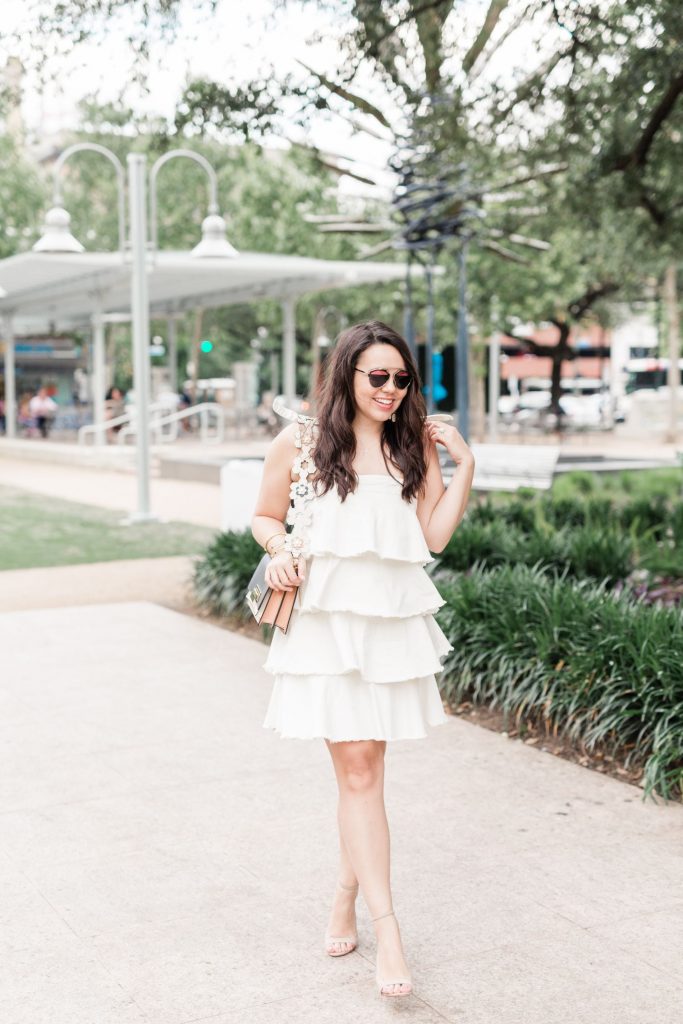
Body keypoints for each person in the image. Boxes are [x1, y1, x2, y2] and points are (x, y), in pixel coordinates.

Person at [251, 320, 475, 999]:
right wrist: (278, 550)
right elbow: (263, 517)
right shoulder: (301, 441)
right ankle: (389, 928)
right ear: (346, 374)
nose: (390, 388)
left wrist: (466, 468)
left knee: (366, 774)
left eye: (401, 378)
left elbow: (432, 537)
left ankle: (345, 895)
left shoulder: (413, 449)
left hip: (386, 629)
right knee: (356, 771)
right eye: (376, 376)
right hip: (324, 626)